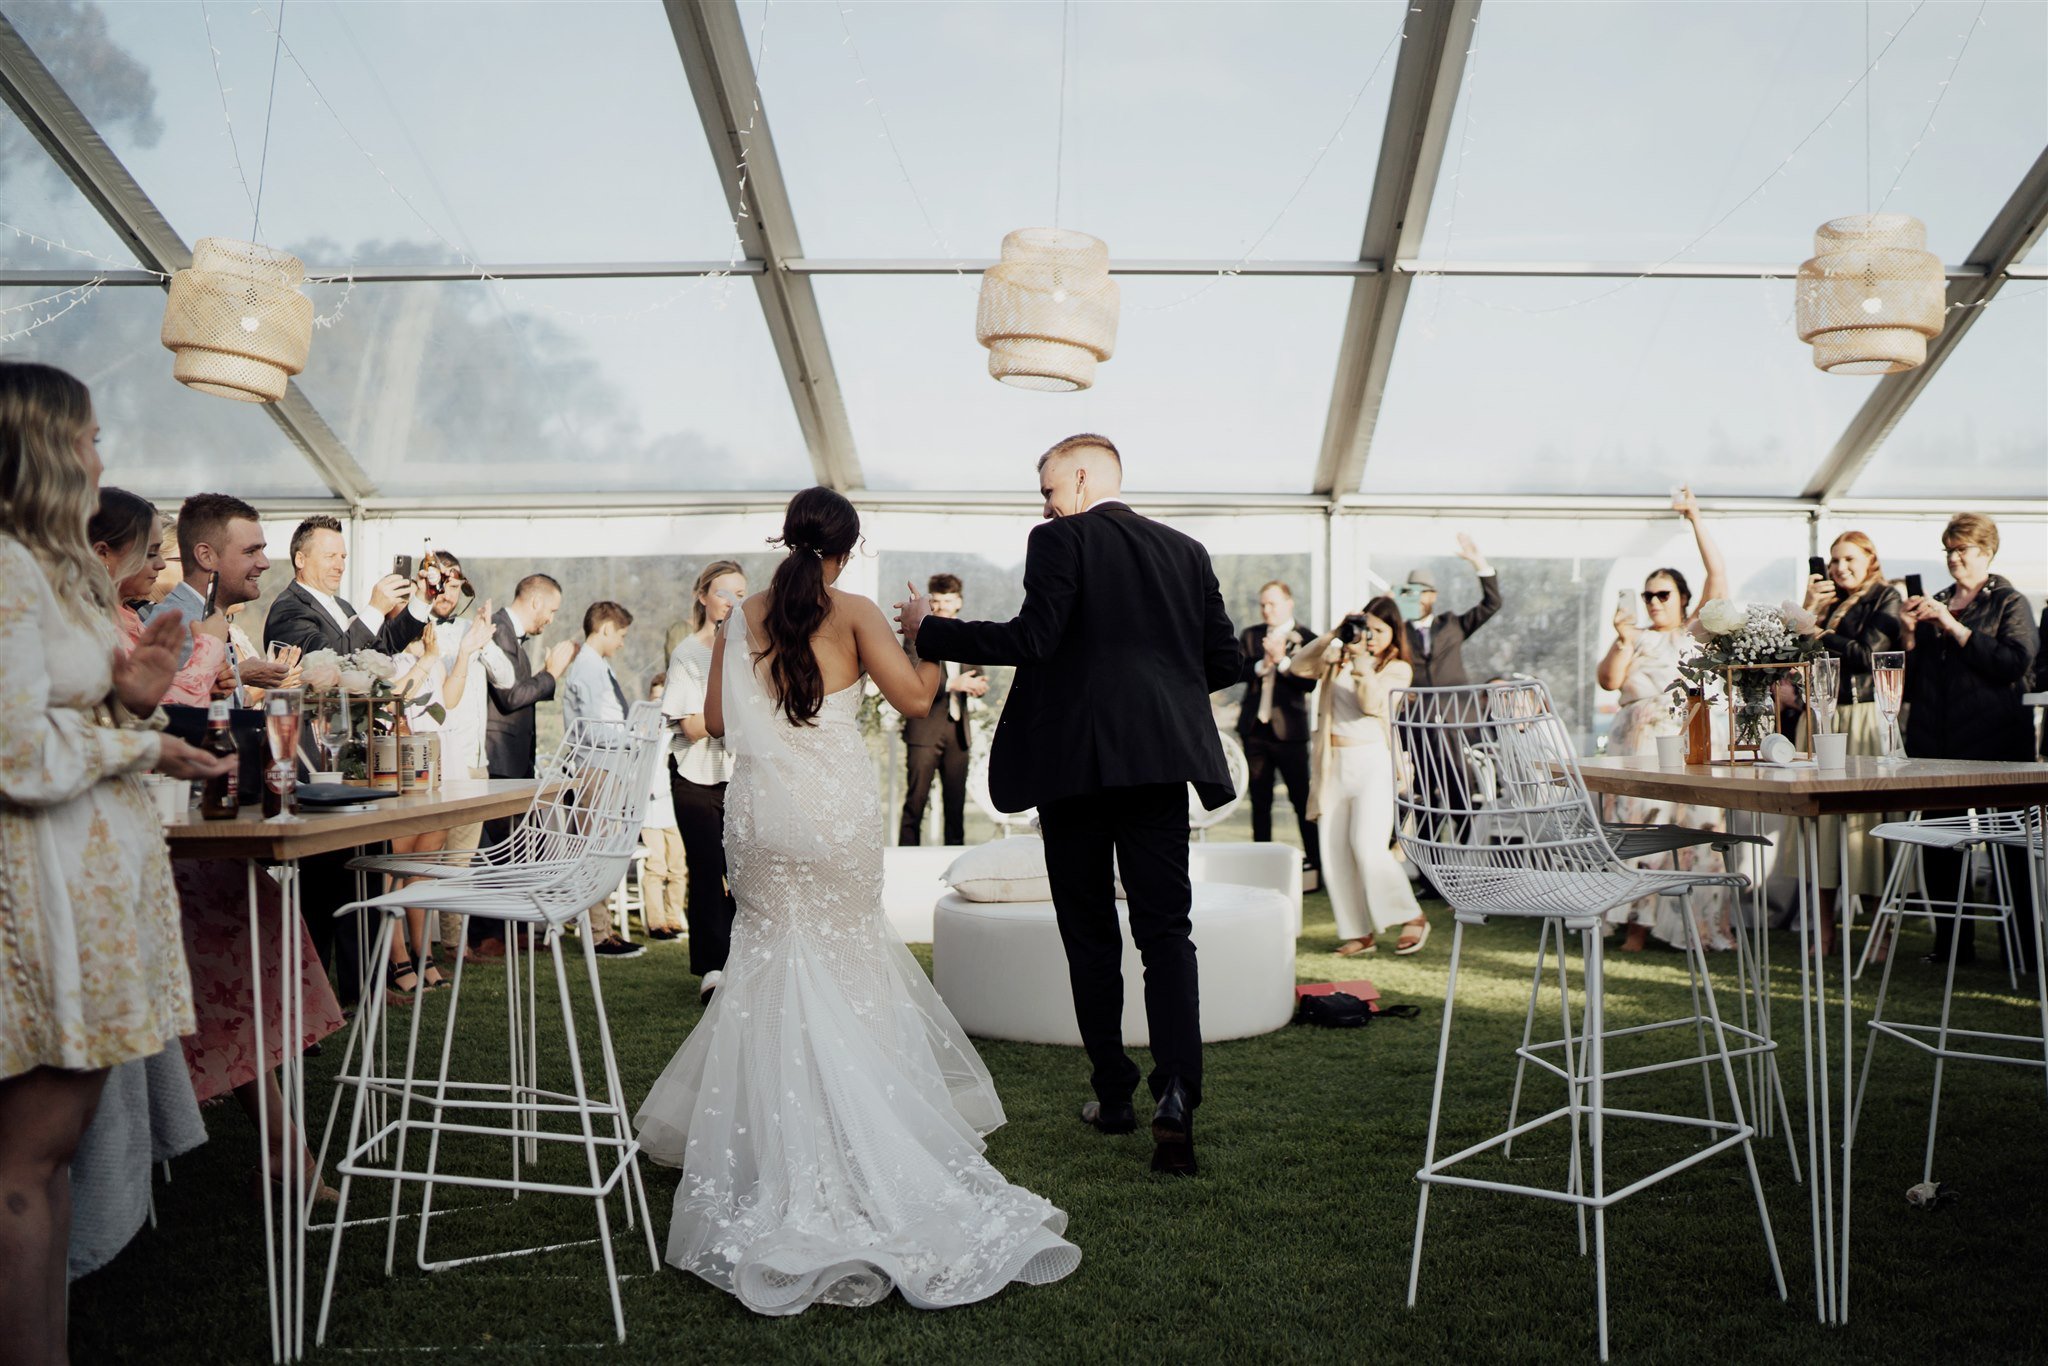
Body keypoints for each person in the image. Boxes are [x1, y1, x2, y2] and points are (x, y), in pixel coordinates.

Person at [636, 487, 1079, 1314]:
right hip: (833, 817)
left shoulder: (742, 617)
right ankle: (853, 1138)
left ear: (786, 539)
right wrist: (925, 638)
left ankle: (772, 1146)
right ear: (848, 548)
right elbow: (915, 699)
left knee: (768, 961)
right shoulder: (857, 612)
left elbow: (717, 721)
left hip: (759, 820)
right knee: (846, 960)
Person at [900, 434, 1239, 1178]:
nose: (1046, 506)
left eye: (1049, 491)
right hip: (1158, 768)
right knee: (1166, 933)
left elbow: (1036, 637)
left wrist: (930, 630)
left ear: (1082, 479)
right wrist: (1156, 685)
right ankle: (1177, 1093)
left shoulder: (1059, 539)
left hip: (1074, 767)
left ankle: (1114, 1094)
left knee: (1090, 934)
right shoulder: (1187, 552)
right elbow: (1225, 660)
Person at [0, 360, 234, 1351]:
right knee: (24, 1164)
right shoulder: (6, 567)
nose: (103, 458)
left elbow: (63, 712)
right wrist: (143, 744)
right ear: (44, 448)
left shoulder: (51, 568)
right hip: (35, 901)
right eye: (90, 438)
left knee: (47, 1160)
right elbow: (13, 750)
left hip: (81, 898)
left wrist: (132, 693)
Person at [1594, 486, 1734, 952]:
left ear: (1683, 598)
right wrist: (1622, 640)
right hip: (1633, 746)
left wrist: (1695, 517)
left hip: (1683, 744)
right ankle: (1633, 924)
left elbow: (1718, 576)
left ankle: (1685, 926)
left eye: (1662, 594)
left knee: (1686, 828)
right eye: (1648, 594)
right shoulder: (1634, 636)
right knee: (1636, 827)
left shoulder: (1694, 634)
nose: (1654, 601)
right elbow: (1608, 682)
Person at [1902, 513, 2040, 968]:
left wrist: (1955, 627)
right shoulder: (1937, 602)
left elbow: (2015, 663)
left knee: (2010, 851)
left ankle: (2022, 951)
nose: (1954, 558)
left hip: (1997, 747)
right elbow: (1914, 683)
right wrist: (1910, 635)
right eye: (1949, 550)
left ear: (1987, 552)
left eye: (1963, 549)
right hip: (1937, 748)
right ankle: (1952, 946)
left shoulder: (2009, 602)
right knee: (1940, 846)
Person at [1291, 596, 1427, 956]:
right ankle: (1359, 933)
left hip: (1373, 763)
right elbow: (1299, 668)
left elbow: (1372, 705)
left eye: (1380, 631)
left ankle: (1412, 916)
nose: (1372, 637)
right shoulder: (1338, 657)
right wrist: (1333, 635)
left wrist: (1362, 665)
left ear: (1394, 633)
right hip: (1332, 763)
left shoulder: (1397, 669)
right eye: (1368, 629)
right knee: (1335, 851)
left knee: (1367, 846)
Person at [1799, 531, 1904, 957]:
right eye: (1834, 560)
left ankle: (1880, 931)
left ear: (1870, 559)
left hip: (1864, 717)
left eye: (1849, 559)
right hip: (1821, 717)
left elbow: (1869, 654)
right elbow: (1792, 653)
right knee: (1820, 828)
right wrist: (1808, 609)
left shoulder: (1885, 597)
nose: (1840, 568)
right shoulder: (1824, 602)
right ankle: (1824, 931)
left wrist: (1820, 632)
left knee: (1870, 829)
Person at [469, 573, 578, 958]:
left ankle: (509, 929)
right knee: (496, 851)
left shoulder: (511, 635)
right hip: (497, 758)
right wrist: (551, 673)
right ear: (535, 602)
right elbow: (511, 696)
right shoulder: (498, 630)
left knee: (514, 848)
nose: (551, 619)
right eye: (551, 610)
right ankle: (487, 935)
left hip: (512, 761)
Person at [661, 561, 746, 1001]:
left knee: (746, 871)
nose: (732, 602)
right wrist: (737, 711)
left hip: (740, 777)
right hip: (695, 779)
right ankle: (712, 970)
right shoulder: (687, 654)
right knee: (708, 871)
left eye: (740, 595)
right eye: (723, 593)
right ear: (703, 597)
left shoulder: (750, 652)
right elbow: (693, 727)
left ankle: (746, 963)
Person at [560, 600, 645, 959]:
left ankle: (603, 929)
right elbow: (594, 729)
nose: (622, 643)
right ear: (606, 628)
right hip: (596, 769)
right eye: (621, 635)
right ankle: (596, 934)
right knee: (595, 851)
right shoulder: (588, 669)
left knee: (603, 850)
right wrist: (633, 735)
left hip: (606, 768)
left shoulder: (597, 666)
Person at [89, 488, 228, 706]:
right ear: (103, 554)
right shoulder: (91, 625)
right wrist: (209, 647)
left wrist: (208, 685)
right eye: (151, 553)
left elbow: (159, 692)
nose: (160, 564)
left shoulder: (126, 620)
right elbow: (154, 706)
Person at [161, 493, 299, 698]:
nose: (265, 563)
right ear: (206, 556)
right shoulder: (179, 626)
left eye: (262, 550)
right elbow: (180, 711)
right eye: (250, 551)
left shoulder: (207, 617)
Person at [1235, 580, 1320, 881]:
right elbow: (1236, 670)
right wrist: (1263, 663)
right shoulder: (1251, 635)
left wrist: (1282, 661)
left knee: (1301, 799)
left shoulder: (1308, 639)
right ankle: (1262, 865)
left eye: (1272, 603)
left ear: (1289, 603)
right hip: (1255, 730)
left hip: (1290, 733)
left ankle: (1316, 864)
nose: (1266, 610)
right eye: (1262, 604)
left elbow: (1309, 683)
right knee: (1260, 800)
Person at [898, 573, 986, 846]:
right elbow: (910, 679)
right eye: (936, 601)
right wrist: (952, 684)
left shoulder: (967, 632)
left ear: (958, 602)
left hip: (959, 733)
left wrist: (978, 685)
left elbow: (977, 671)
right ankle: (905, 861)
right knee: (915, 804)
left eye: (948, 601)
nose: (942, 606)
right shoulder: (916, 634)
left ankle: (956, 862)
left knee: (955, 808)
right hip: (924, 731)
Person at [261, 514, 427, 658]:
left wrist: (423, 597)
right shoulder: (287, 610)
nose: (340, 567)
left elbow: (383, 647)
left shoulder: (343, 606)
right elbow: (330, 664)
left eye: (343, 557)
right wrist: (375, 609)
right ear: (300, 560)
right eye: (330, 556)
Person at [1403, 533, 1501, 688]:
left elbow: (1492, 604)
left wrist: (1479, 562)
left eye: (1422, 593)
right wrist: (1386, 602)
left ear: (1433, 595)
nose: (1417, 599)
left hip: (1454, 701)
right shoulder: (1398, 631)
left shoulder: (1451, 624)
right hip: (1415, 702)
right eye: (1410, 593)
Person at [638, 674, 687, 942]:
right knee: (656, 865)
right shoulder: (641, 734)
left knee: (678, 866)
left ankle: (673, 916)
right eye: (654, 699)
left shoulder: (675, 733)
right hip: (650, 808)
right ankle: (656, 922)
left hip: (673, 807)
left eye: (663, 700)